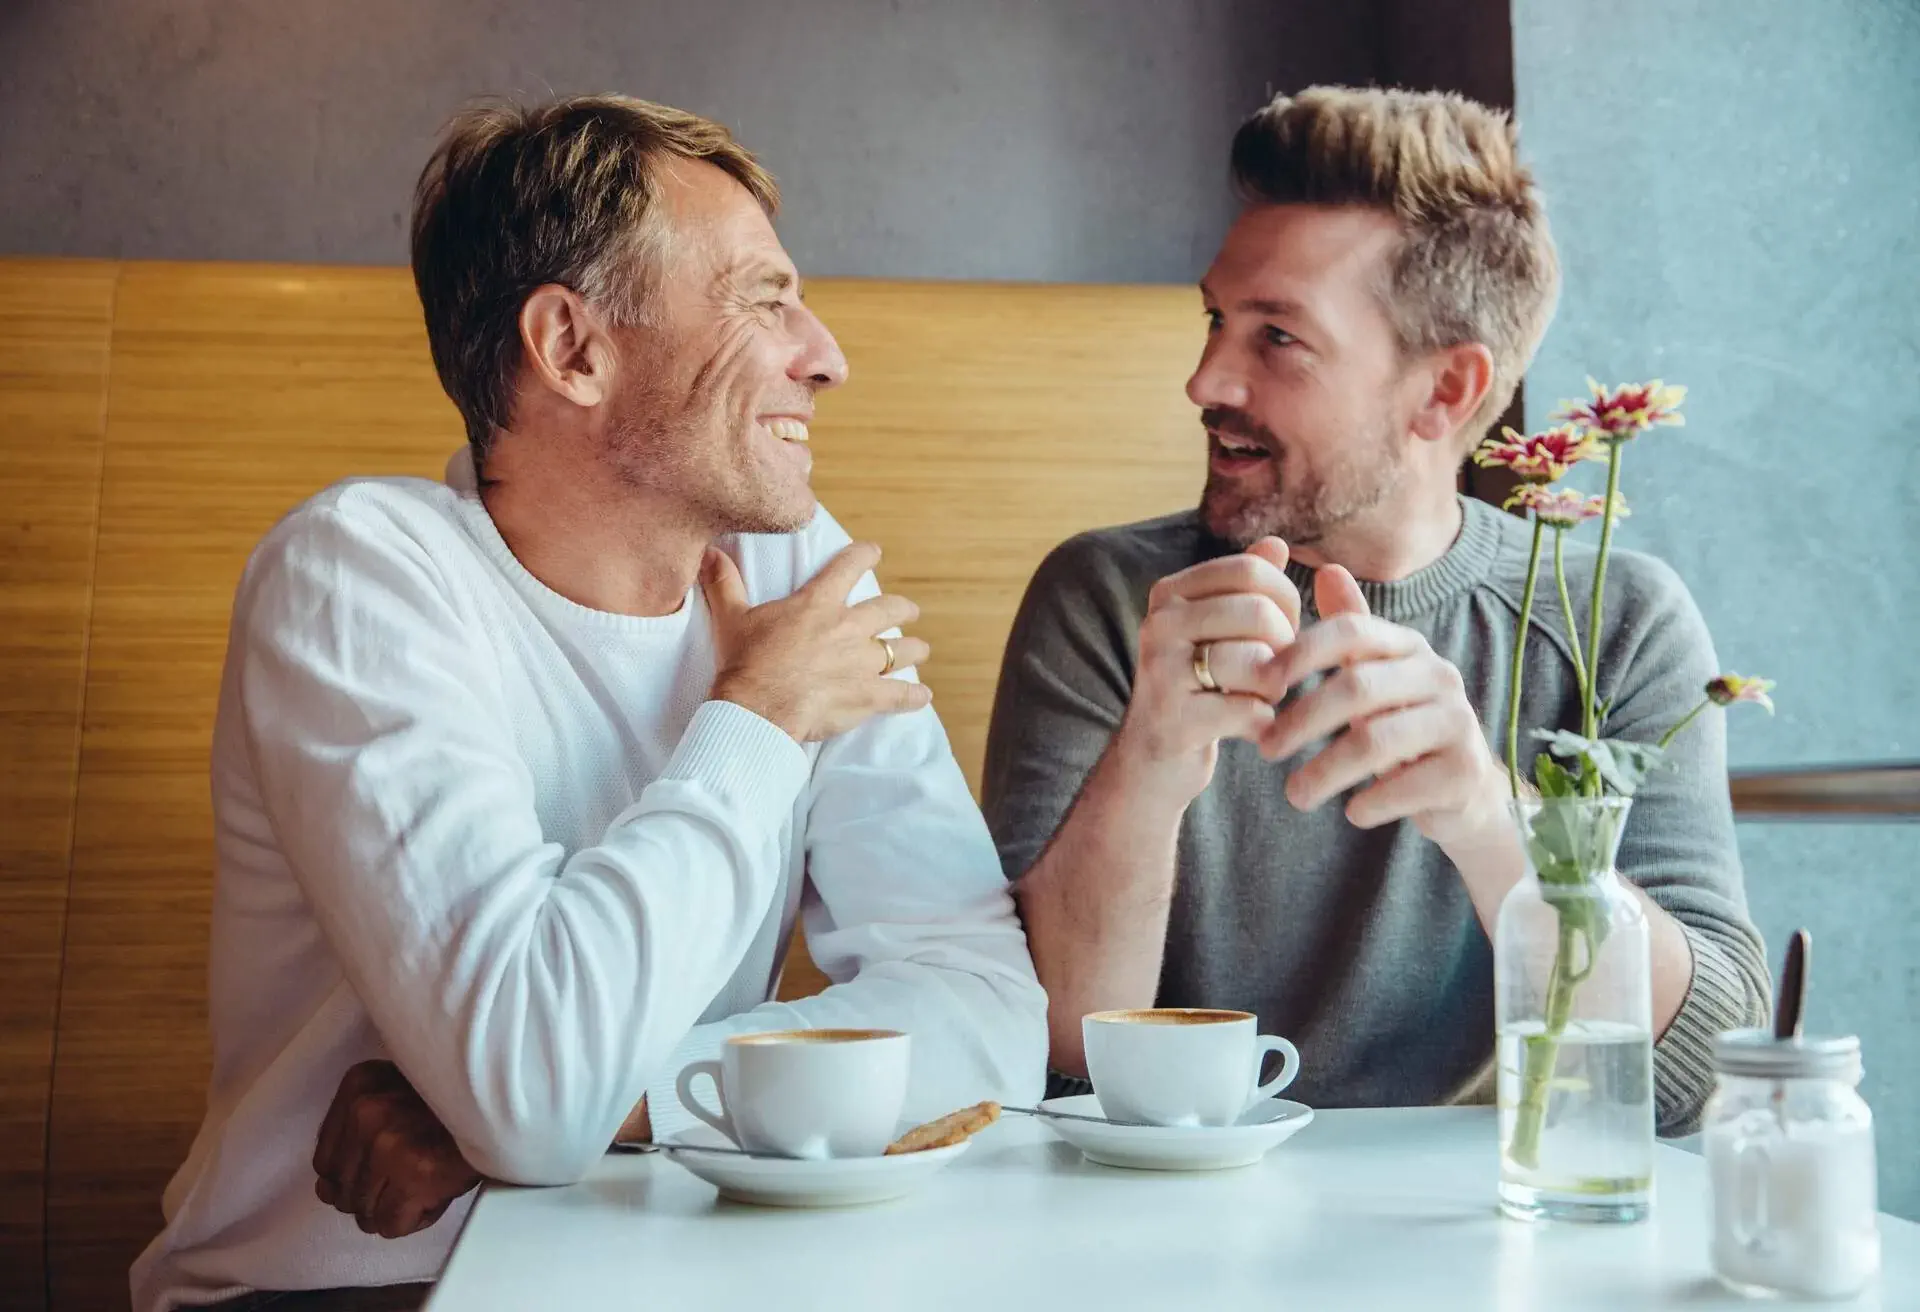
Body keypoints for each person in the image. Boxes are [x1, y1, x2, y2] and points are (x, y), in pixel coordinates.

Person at [133, 96, 1047, 1312]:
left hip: (658, 1273)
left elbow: (990, 1014)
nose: (825, 353)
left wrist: (613, 1099)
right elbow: (529, 1093)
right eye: (761, 298)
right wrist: (758, 717)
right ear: (571, 348)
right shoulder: (360, 575)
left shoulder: (792, 571)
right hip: (349, 1290)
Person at [982, 86, 1768, 1130]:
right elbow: (1049, 1048)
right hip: (1171, 1227)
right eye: (1217, 319)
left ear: (1443, 393)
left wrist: (1490, 821)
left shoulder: (1614, 621)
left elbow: (1702, 1065)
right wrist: (1151, 763)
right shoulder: (1110, 599)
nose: (1205, 378)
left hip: (1494, 1237)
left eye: (1278, 339)